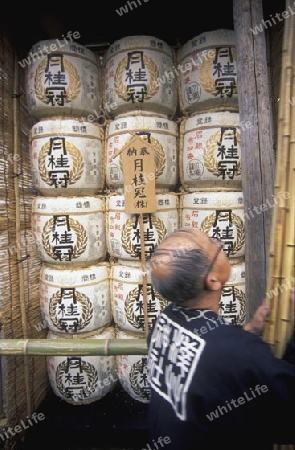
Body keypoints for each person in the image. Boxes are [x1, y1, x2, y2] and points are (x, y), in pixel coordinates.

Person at [146, 228, 295, 450]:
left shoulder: (166, 320)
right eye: (215, 246)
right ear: (213, 280)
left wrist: (250, 330)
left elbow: (213, 362)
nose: (221, 245)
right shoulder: (238, 353)